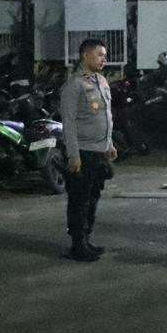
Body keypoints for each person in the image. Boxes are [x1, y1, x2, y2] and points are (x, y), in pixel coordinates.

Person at [59, 38, 118, 262]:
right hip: (83, 152)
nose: (104, 59)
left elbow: (106, 117)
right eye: (100, 55)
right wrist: (73, 155)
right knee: (79, 199)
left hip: (99, 152)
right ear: (86, 55)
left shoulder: (102, 81)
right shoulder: (74, 85)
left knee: (93, 197)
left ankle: (86, 239)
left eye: (105, 55)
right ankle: (77, 244)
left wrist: (109, 145)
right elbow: (69, 122)